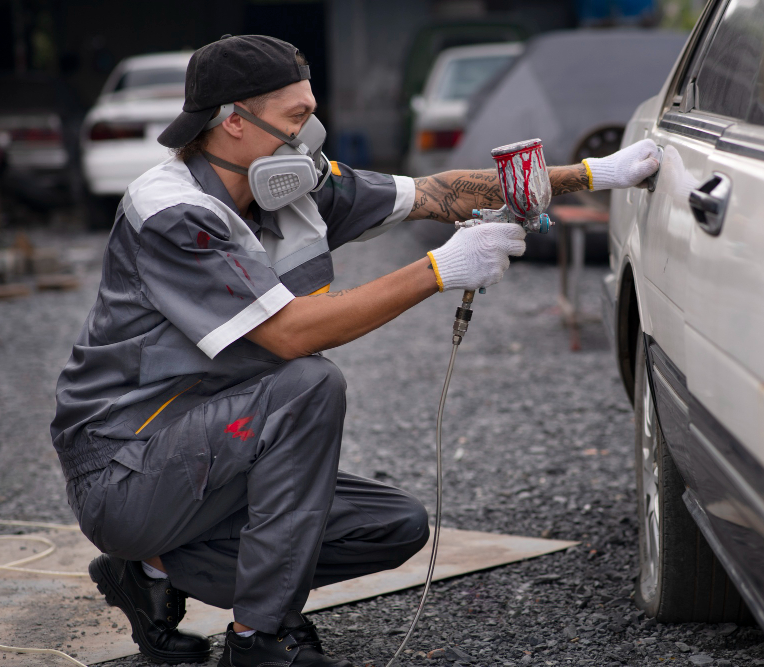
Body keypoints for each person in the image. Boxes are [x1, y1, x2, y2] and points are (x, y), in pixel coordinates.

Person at [51, 35, 662, 667]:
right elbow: (291, 333)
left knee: (393, 526)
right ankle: (260, 637)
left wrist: (595, 175)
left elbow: (432, 192)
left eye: (310, 112)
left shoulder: (287, 186)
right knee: (308, 383)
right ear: (233, 122)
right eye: (294, 118)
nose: (309, 133)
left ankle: (152, 574)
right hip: (127, 468)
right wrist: (439, 269)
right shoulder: (176, 212)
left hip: (220, 446)